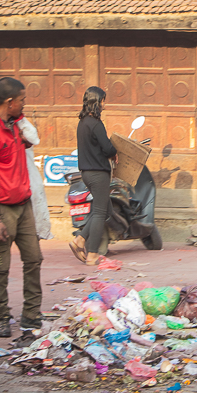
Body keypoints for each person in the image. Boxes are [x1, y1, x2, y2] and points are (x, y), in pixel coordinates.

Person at [0, 77, 43, 339]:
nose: (24, 104)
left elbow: (23, 149)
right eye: (22, 100)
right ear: (9, 102)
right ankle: (2, 317)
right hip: (1, 210)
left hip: (24, 207)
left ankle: (32, 314)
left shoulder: (15, 126)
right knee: (0, 265)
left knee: (34, 259)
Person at [69, 87, 119, 265]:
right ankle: (92, 254)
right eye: (103, 101)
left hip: (86, 173)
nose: (104, 105)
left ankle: (80, 240)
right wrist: (114, 151)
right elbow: (108, 148)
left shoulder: (82, 123)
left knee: (107, 210)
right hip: (99, 173)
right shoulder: (96, 124)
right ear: (96, 102)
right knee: (99, 212)